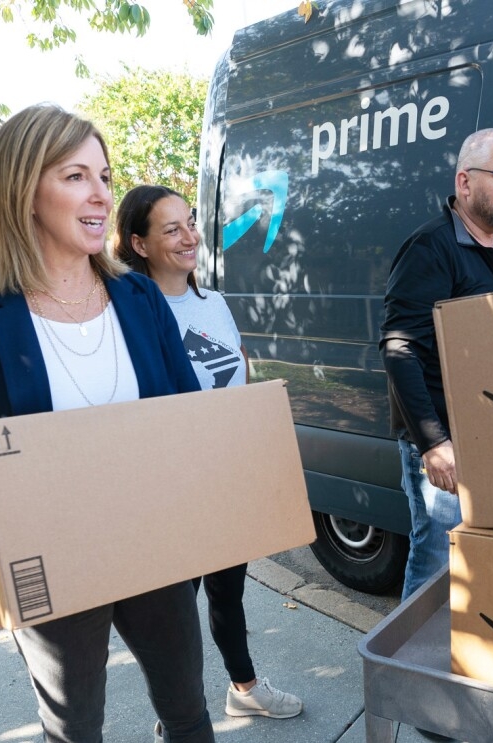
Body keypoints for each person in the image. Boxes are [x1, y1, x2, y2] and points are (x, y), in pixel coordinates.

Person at [0, 105, 215, 743]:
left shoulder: (141, 297)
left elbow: (189, 418)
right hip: (52, 563)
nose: (100, 195)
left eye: (105, 176)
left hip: (158, 546)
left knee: (188, 714)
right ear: (24, 192)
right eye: (75, 176)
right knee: (74, 730)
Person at [114, 184, 303, 720]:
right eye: (171, 229)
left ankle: (243, 690)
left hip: (228, 474)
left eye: (190, 223)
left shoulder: (213, 302)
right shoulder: (126, 312)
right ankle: (177, 716)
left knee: (228, 592)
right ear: (139, 243)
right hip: (173, 483)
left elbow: (237, 377)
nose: (189, 237)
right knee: (172, 608)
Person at [380, 128, 493, 601]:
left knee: (481, 563)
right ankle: (406, 670)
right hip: (446, 442)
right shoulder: (430, 249)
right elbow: (399, 348)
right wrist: (434, 444)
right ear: (464, 182)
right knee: (436, 565)